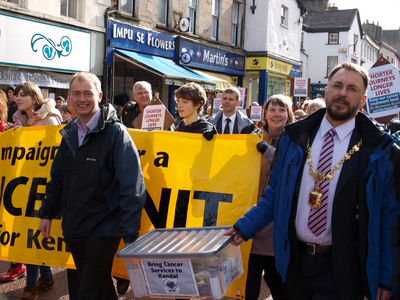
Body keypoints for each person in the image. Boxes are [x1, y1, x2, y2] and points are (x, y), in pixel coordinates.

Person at [226, 62, 400, 300]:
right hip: (294, 261)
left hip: (342, 267)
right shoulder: (294, 137)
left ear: (363, 100)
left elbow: (390, 219)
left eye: (352, 89)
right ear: (326, 91)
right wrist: (245, 227)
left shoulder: (379, 151)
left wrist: (387, 277)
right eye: (337, 85)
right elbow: (276, 193)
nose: (342, 93)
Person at [39, 72, 146, 300]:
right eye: (76, 93)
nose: (82, 99)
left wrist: (130, 234)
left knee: (86, 293)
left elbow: (132, 185)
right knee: (100, 288)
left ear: (99, 95)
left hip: (105, 226)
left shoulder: (116, 133)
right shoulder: (68, 132)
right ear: (69, 98)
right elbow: (57, 178)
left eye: (88, 93)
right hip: (75, 224)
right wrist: (47, 213)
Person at [3, 83, 62, 300]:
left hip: (43, 184)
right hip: (24, 182)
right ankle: (45, 276)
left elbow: (55, 147)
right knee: (29, 230)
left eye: (22, 95)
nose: (17, 98)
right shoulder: (19, 119)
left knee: (33, 231)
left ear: (34, 96)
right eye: (16, 95)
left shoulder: (50, 117)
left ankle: (31, 285)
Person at [248, 95, 294, 300]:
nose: (277, 114)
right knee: (248, 288)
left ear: (288, 115)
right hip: (252, 223)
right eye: (272, 110)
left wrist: (269, 152)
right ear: (264, 114)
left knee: (280, 287)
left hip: (279, 226)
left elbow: (292, 171)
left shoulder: (297, 142)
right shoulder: (250, 139)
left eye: (282, 110)